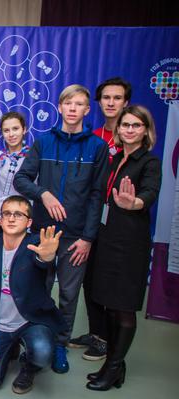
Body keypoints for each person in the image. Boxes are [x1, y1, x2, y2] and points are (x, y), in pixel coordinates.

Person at [14, 84, 109, 374]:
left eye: (79, 104)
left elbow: (97, 196)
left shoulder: (97, 147)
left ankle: (59, 344)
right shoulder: (44, 142)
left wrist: (88, 238)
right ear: (59, 107)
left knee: (68, 294)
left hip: (75, 236)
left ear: (87, 110)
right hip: (43, 232)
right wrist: (43, 193)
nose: (72, 108)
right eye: (68, 103)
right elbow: (21, 179)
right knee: (40, 289)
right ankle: (37, 340)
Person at [87, 105, 161, 391]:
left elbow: (150, 193)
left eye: (136, 125)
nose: (129, 130)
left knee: (124, 307)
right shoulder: (115, 157)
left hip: (130, 243)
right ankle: (114, 363)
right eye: (125, 125)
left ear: (146, 130)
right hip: (107, 238)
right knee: (107, 302)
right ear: (117, 129)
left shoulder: (149, 162)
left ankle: (113, 367)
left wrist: (136, 203)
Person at [0, 196, 65, 394]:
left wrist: (47, 257)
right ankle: (9, 348)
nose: (12, 218)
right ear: (0, 220)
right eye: (7, 214)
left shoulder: (36, 243)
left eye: (18, 214)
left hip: (30, 321)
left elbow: (43, 262)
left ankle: (29, 366)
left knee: (42, 353)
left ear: (29, 222)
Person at [70, 77, 132, 362]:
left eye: (117, 98)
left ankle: (110, 341)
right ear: (98, 102)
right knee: (89, 278)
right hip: (92, 216)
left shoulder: (131, 136)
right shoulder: (94, 137)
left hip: (119, 219)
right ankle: (96, 333)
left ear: (126, 102)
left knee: (110, 282)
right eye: (106, 97)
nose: (111, 102)